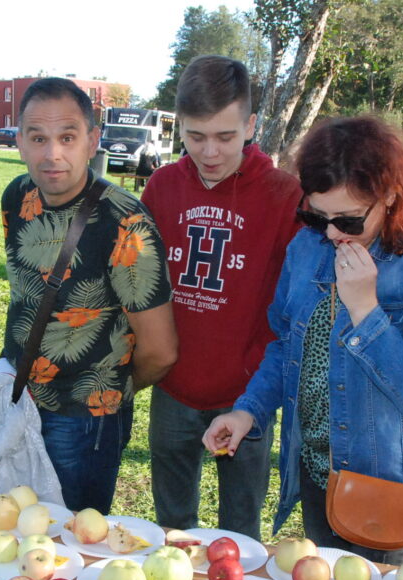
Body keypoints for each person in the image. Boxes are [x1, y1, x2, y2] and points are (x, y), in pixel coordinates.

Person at [203, 115, 403, 564]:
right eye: (316, 215)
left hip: (386, 481)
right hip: (318, 470)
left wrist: (366, 311)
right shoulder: (307, 247)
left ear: (389, 195)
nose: (331, 233)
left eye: (348, 221)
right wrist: (248, 410)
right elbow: (284, 344)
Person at [141, 55, 301, 541]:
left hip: (246, 392)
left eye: (226, 136)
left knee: (241, 531)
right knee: (173, 527)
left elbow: (294, 305)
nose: (209, 151)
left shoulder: (283, 195)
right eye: (195, 136)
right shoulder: (162, 186)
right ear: (179, 127)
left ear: (252, 124)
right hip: (173, 386)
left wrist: (256, 385)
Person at [2, 77, 177, 513]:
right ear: (19, 141)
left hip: (84, 425)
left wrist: (110, 391)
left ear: (92, 140)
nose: (52, 154)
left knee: (71, 551)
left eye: (67, 137)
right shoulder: (17, 197)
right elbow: (27, 295)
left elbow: (161, 350)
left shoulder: (125, 222)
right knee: (14, 535)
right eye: (38, 138)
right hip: (18, 399)